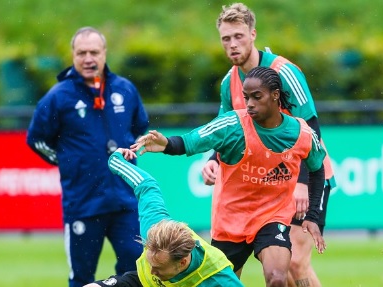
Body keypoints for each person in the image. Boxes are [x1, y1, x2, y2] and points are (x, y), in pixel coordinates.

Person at [132, 66, 326, 287]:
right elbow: (192, 141)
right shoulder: (232, 124)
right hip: (232, 220)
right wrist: (166, 144)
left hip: (273, 216)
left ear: (275, 95)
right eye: (246, 97)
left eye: (256, 97)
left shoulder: (301, 133)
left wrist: (312, 216)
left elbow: (317, 168)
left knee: (277, 278)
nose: (249, 103)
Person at [201, 4, 336, 286]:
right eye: (226, 39)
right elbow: (225, 131)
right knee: (281, 270)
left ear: (253, 34)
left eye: (238, 36)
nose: (232, 44)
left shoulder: (284, 72)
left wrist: (302, 182)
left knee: (296, 262)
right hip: (272, 186)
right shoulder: (229, 82)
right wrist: (213, 159)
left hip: (307, 176)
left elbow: (310, 129)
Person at [26, 26, 149, 287]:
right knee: (81, 278)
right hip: (83, 203)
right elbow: (36, 139)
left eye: (94, 51)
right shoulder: (58, 97)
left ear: (104, 53)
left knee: (137, 270)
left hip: (125, 201)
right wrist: (69, 162)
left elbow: (140, 128)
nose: (88, 58)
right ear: (73, 55)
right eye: (82, 53)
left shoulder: (125, 90)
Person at [84, 148, 244, 287]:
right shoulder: (154, 228)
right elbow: (147, 186)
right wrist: (116, 161)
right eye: (151, 263)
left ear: (182, 262)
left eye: (158, 267)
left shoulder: (218, 276)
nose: (152, 271)